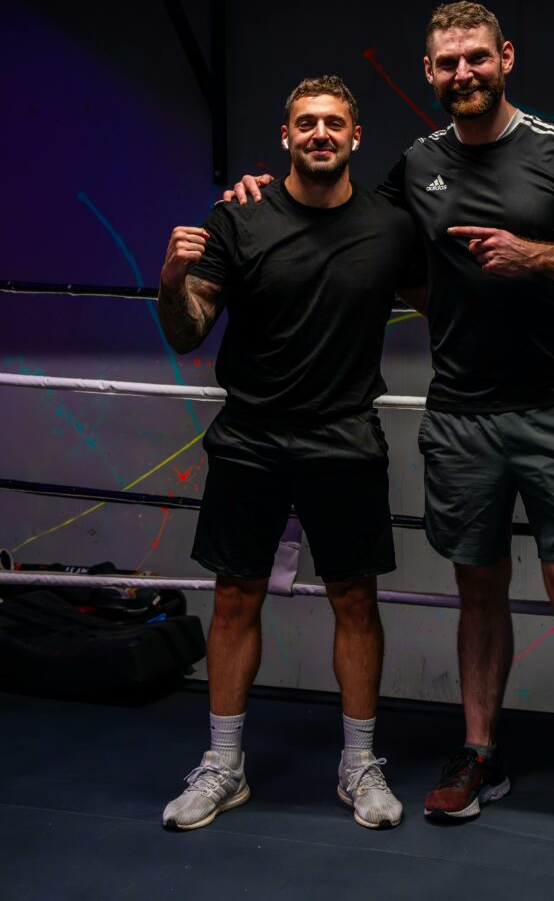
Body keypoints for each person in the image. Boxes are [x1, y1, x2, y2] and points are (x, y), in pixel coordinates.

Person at [228, 2, 554, 873]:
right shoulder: (415, 164)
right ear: (428, 73)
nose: (463, 73)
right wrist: (257, 195)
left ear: (506, 58)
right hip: (459, 411)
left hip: (553, 405)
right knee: (478, 588)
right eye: (447, 63)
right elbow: (343, 214)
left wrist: (535, 256)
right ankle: (480, 754)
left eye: (476, 58)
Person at [158, 75, 425, 834]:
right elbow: (186, 330)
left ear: (354, 136)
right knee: (236, 597)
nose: (318, 133)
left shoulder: (390, 224)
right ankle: (223, 766)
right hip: (250, 434)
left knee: (355, 600)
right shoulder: (238, 216)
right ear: (284, 137)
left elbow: (451, 302)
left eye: (332, 123)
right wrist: (172, 279)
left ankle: (359, 765)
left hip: (342, 433)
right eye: (305, 122)